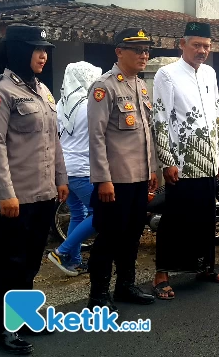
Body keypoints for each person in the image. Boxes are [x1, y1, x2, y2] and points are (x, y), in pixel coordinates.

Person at [0, 24, 69, 354]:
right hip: (8, 198)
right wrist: (6, 194)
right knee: (5, 264)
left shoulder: (42, 91)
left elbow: (54, 139)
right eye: (35, 48)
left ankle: (24, 317)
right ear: (17, 51)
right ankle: (2, 330)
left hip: (41, 194)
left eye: (45, 49)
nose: (43, 55)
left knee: (29, 261)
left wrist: (61, 179)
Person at [152, 21, 219, 299]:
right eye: (196, 45)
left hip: (209, 159)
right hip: (182, 161)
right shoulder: (167, 74)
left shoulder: (210, 73)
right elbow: (160, 118)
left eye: (206, 46)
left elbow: (217, 112)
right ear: (182, 45)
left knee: (206, 217)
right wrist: (166, 161)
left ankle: (205, 267)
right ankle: (162, 273)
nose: (202, 51)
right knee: (176, 218)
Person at [87, 28, 158, 311]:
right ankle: (98, 294)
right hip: (115, 180)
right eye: (138, 50)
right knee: (109, 236)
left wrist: (152, 169)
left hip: (139, 177)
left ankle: (125, 285)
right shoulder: (105, 87)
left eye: (146, 50)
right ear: (119, 52)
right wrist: (103, 179)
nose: (144, 55)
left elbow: (145, 133)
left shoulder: (139, 85)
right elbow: (96, 136)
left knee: (132, 235)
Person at [48, 61, 102, 277]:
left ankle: (74, 261)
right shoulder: (90, 104)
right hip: (83, 169)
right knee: (100, 214)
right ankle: (61, 252)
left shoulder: (61, 103)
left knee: (78, 213)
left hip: (64, 169)